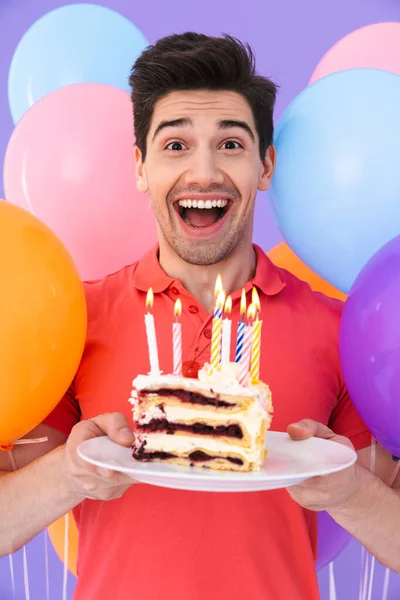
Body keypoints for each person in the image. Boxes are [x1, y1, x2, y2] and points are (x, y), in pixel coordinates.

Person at [1, 32, 399, 600]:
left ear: (266, 166)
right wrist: (69, 471)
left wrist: (350, 493)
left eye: (231, 145)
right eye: (176, 145)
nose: (204, 172)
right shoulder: (76, 319)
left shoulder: (336, 329)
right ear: (140, 167)